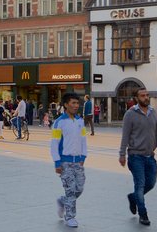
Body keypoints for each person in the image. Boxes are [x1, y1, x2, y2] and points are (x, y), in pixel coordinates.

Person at [119, 87, 157, 227]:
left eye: (147, 95)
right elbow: (125, 136)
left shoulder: (153, 112)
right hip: (135, 156)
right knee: (139, 185)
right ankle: (143, 214)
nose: (146, 97)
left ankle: (133, 198)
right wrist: (122, 154)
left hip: (150, 156)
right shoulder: (130, 114)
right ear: (136, 98)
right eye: (142, 95)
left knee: (150, 183)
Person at [51, 93, 88, 228]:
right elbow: (54, 143)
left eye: (77, 103)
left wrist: (83, 156)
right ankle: (70, 217)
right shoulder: (59, 122)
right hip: (65, 162)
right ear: (66, 105)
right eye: (73, 103)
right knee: (71, 190)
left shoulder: (80, 121)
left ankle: (62, 201)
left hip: (78, 161)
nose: (76, 106)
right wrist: (57, 162)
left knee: (79, 188)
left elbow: (83, 139)